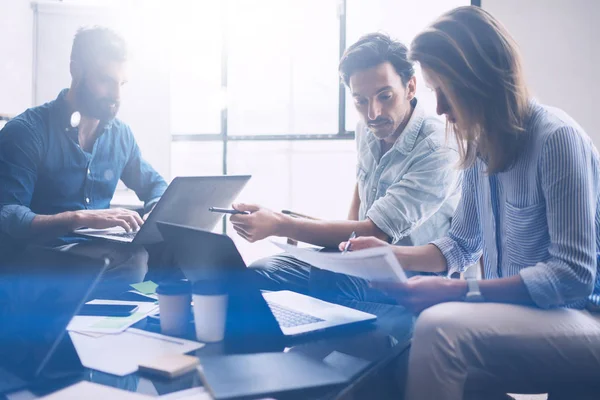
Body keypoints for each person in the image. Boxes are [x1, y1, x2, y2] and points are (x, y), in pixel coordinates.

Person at [340, 6, 600, 399]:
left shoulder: (556, 139)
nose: (441, 108)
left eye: (447, 91)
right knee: (399, 343)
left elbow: (573, 274)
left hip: (582, 314)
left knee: (439, 327)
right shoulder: (480, 146)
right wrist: (390, 254)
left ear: (481, 82)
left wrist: (458, 292)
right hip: (526, 314)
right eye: (434, 92)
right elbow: (461, 244)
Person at [231, 33, 461, 302]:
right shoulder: (367, 128)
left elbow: (377, 231)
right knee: (260, 273)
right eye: (360, 101)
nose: (373, 113)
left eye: (385, 96)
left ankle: (330, 341)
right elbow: (361, 191)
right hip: (361, 259)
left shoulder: (439, 147)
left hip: (414, 271)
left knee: (331, 279)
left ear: (410, 87)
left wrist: (280, 224)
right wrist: (343, 249)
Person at [0, 26, 168, 296]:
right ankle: (136, 302)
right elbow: (7, 215)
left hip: (97, 254)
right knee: (132, 263)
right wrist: (78, 218)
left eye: (122, 83)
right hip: (38, 256)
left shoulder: (120, 134)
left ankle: (143, 308)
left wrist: (157, 212)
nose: (117, 95)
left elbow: (155, 185)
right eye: (106, 80)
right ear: (76, 70)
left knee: (179, 251)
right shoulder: (26, 132)